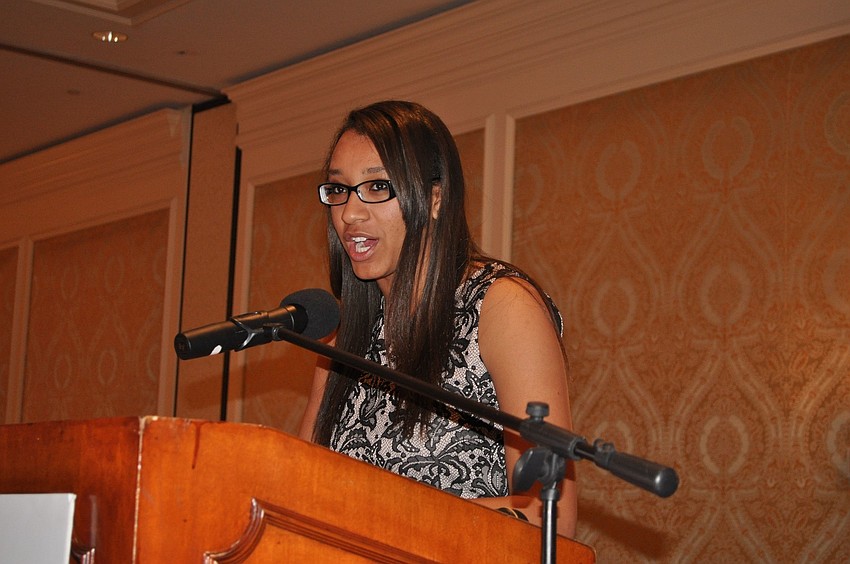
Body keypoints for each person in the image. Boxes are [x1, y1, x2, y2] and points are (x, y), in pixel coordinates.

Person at [298, 100, 577, 537]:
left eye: (377, 187)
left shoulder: (502, 307)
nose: (349, 213)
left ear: (435, 198)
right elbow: (301, 490)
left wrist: (378, 514)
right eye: (339, 189)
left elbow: (549, 516)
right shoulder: (342, 334)